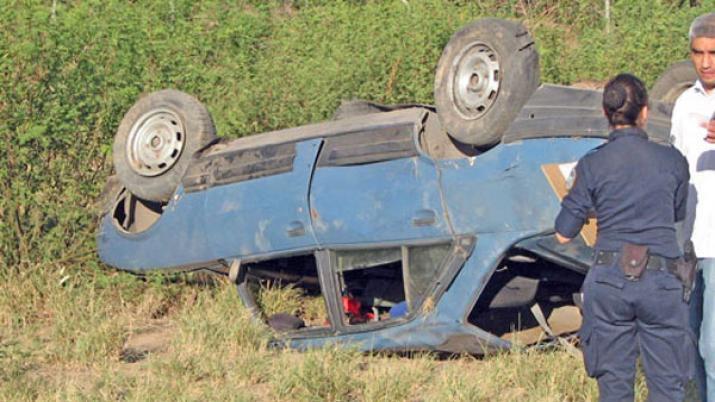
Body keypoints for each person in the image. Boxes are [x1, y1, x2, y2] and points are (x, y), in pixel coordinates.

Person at [555, 73, 691, 401]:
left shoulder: (592, 164)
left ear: (606, 114)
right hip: (661, 280)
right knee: (668, 387)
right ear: (644, 112)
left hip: (609, 281)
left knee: (614, 387)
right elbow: (675, 213)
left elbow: (562, 234)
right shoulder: (673, 161)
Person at [671, 12, 715, 401]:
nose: (706, 62)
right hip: (689, 245)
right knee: (689, 342)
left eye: (714, 53)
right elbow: (675, 171)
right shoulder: (684, 104)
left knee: (713, 347)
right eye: (698, 53)